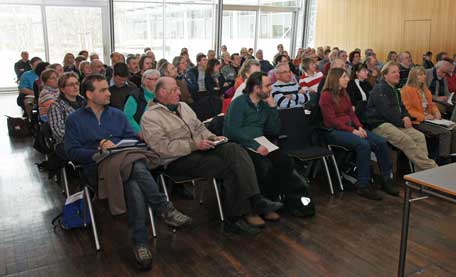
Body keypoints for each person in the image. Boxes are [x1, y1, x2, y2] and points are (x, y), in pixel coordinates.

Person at [64, 74, 190, 270]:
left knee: (132, 178)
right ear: (89, 94)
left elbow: (134, 141)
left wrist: (120, 146)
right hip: (97, 168)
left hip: (125, 162)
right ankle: (163, 209)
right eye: (103, 90)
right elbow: (71, 152)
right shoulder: (75, 119)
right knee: (135, 170)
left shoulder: (117, 114)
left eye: (108, 88)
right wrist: (98, 150)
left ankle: (141, 243)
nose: (109, 93)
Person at [141, 77, 283, 232]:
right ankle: (237, 216)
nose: (179, 92)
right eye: (175, 89)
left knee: (234, 149)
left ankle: (255, 200)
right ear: (162, 92)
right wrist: (194, 145)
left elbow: (199, 128)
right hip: (177, 160)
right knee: (229, 166)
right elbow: (162, 148)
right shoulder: (150, 117)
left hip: (200, 149)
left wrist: (212, 137)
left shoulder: (183, 106)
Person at [224, 71, 311, 217]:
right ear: (256, 88)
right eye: (267, 86)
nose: (271, 88)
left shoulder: (264, 105)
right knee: (262, 165)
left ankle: (270, 199)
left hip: (261, 141)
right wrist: (254, 144)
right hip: (241, 143)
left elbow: (274, 129)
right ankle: (257, 205)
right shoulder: (239, 103)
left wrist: (272, 107)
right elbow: (232, 130)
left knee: (285, 162)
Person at [319, 67, 396, 199]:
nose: (348, 79)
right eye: (344, 77)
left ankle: (385, 179)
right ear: (335, 79)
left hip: (350, 127)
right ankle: (363, 185)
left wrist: (359, 127)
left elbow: (351, 113)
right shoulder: (326, 95)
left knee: (381, 142)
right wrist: (353, 130)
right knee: (363, 145)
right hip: (333, 131)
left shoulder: (344, 93)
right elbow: (331, 121)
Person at [366, 62, 438, 171]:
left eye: (398, 72)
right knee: (406, 140)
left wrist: (405, 116)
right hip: (381, 125)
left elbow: (403, 107)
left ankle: (419, 176)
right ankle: (432, 168)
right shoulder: (380, 89)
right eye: (393, 72)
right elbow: (387, 112)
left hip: (395, 123)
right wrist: (402, 121)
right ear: (385, 75)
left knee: (419, 137)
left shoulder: (394, 89)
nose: (397, 74)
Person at [400, 67, 456, 164]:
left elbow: (431, 104)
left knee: (455, 129)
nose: (423, 76)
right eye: (420, 74)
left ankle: (454, 157)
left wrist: (436, 111)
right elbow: (408, 110)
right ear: (413, 77)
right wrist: (423, 116)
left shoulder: (425, 89)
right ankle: (443, 160)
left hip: (429, 118)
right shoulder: (407, 90)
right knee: (445, 132)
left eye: (424, 74)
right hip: (417, 120)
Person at [48, 72, 86, 160]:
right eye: (71, 85)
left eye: (77, 83)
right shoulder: (56, 106)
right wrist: (82, 137)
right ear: (62, 89)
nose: (76, 87)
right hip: (68, 142)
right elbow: (59, 132)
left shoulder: (85, 102)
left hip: (89, 138)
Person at [124, 69, 160, 137]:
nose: (158, 82)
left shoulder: (160, 95)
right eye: (155, 79)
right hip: (141, 135)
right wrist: (139, 132)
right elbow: (127, 117)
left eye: (159, 79)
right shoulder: (135, 96)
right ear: (145, 81)